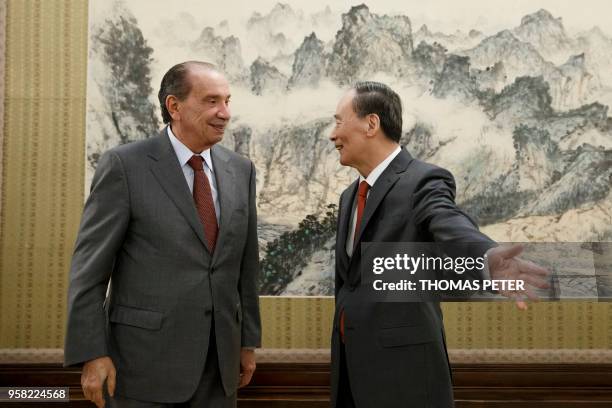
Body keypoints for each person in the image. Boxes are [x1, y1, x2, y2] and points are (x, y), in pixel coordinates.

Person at [329, 81, 549, 407]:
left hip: (406, 378)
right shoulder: (349, 196)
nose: (333, 135)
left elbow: (448, 222)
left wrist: (486, 258)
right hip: (350, 374)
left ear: (371, 124)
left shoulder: (423, 180)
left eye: (338, 121)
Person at [64, 61, 261, 408]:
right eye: (212, 101)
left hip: (220, 368)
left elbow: (246, 266)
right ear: (174, 106)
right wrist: (92, 353)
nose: (225, 113)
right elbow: (89, 272)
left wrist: (247, 343)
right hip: (142, 368)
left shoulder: (241, 170)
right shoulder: (125, 166)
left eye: (228, 101)